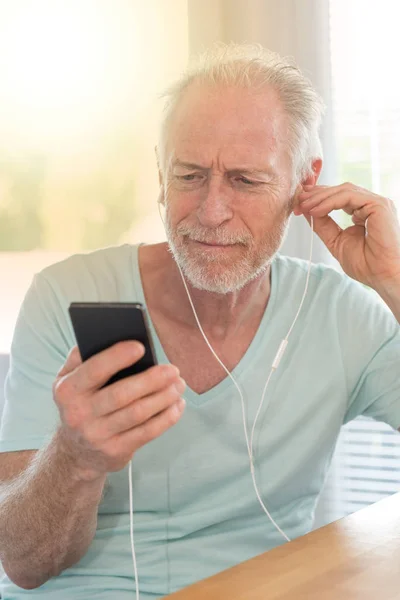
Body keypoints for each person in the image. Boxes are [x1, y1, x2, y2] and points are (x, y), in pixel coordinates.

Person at [0, 42, 400, 600]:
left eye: (245, 180)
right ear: (161, 175)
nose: (211, 212)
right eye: (189, 176)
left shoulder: (343, 313)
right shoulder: (67, 294)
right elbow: (23, 563)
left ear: (304, 182)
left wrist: (394, 280)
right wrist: (76, 458)